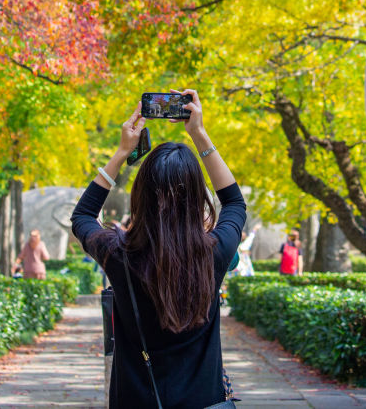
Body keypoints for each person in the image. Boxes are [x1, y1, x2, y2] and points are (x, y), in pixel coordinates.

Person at [71, 90, 245, 409]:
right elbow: (234, 201)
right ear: (196, 195)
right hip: (203, 402)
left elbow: (82, 216)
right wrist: (199, 133)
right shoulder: (215, 252)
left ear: (141, 195)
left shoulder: (118, 253)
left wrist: (123, 151)